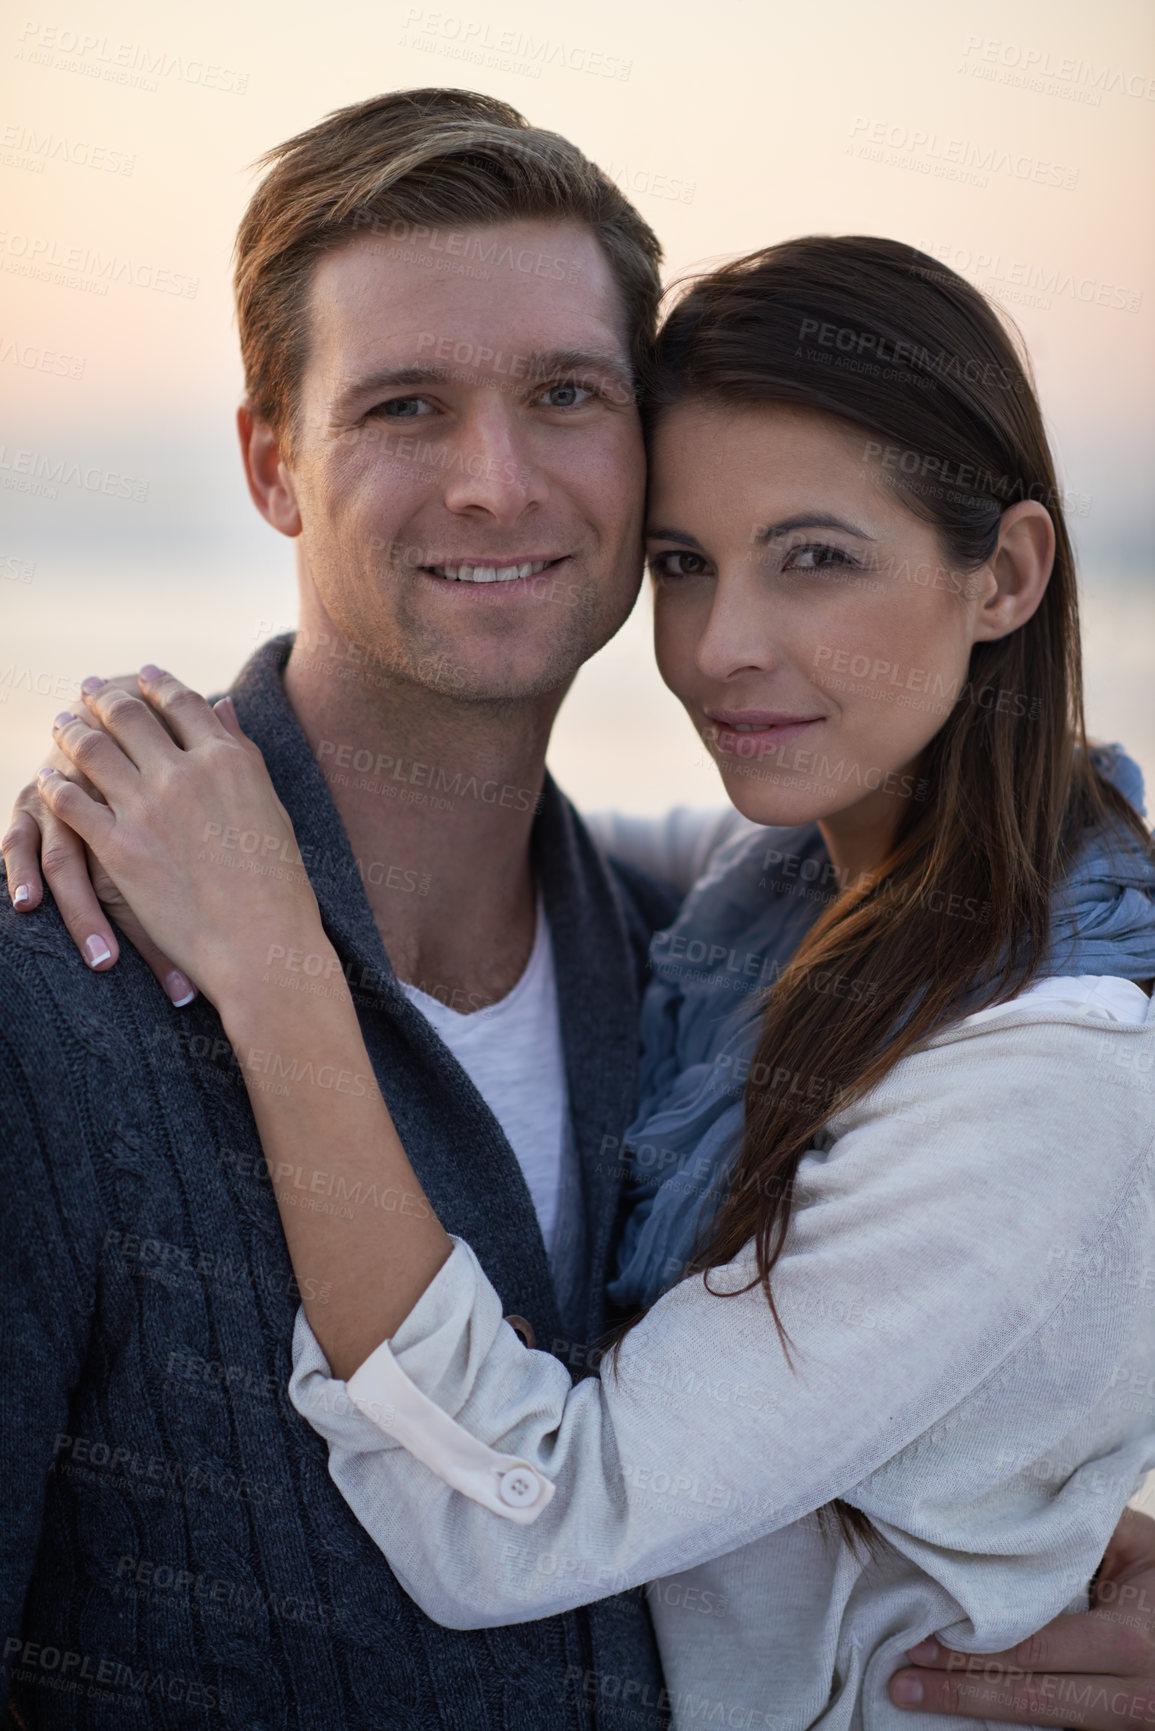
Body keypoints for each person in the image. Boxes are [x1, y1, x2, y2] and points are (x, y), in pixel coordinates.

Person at [19, 234, 1155, 1729]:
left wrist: (281, 964)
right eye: (685, 563)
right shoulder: (762, 894)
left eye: (818, 558)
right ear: (272, 463)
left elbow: (529, 1516)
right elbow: (506, 848)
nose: (726, 649)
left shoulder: (1044, 1063)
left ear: (1004, 574)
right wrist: (139, 774)